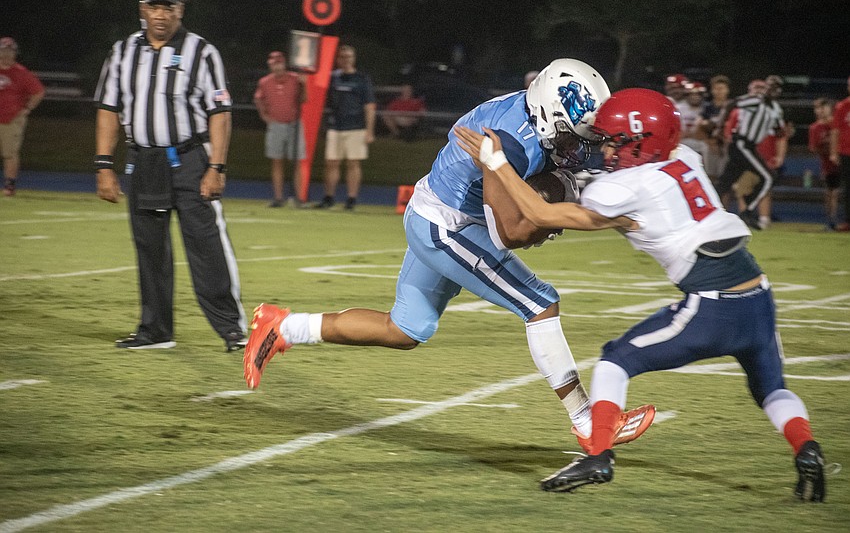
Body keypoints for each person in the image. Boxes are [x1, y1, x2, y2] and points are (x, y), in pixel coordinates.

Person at [244, 59, 654, 452]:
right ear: (549, 116)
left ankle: (283, 326)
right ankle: (588, 422)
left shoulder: (529, 113)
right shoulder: (508, 142)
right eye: (570, 137)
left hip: (435, 211)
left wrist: (557, 197)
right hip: (448, 226)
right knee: (540, 303)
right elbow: (508, 233)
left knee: (405, 329)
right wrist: (553, 213)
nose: (575, 148)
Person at [455, 88, 830, 502]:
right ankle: (807, 449)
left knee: (615, 361)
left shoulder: (626, 188)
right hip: (758, 295)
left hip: (713, 304)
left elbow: (540, 214)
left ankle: (597, 455)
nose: (608, 151)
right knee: (771, 389)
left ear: (639, 141)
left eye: (615, 142)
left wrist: (497, 163)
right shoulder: (685, 158)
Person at [94, 0, 247, 352]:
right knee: (149, 248)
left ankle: (232, 329)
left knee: (207, 247)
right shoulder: (122, 52)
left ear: (180, 11)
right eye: (154, 6)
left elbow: (221, 112)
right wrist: (103, 164)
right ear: (143, 9)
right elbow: (108, 109)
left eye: (169, 7)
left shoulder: (202, 51)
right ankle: (156, 330)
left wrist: (217, 167)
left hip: (191, 160)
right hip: (143, 162)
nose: (161, 15)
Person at [714, 75, 786, 230]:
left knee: (725, 183)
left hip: (749, 146)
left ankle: (704, 210)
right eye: (770, 86)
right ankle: (747, 211)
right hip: (742, 143)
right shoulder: (755, 100)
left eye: (776, 88)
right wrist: (720, 128)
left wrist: (786, 132)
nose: (772, 90)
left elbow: (778, 130)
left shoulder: (775, 108)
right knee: (768, 177)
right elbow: (732, 104)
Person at [315, 45, 376, 211]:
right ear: (338, 59)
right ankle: (329, 197)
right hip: (336, 125)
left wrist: (370, 130)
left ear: (353, 58)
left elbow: (369, 106)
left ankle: (351, 199)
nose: (345, 60)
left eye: (348, 57)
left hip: (356, 126)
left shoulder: (361, 79)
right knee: (331, 162)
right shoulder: (332, 78)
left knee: (353, 163)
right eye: (342, 57)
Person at [254, 50, 308, 208]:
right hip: (276, 124)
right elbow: (258, 99)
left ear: (284, 64)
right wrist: (264, 115)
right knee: (276, 161)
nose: (277, 67)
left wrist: (304, 85)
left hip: (294, 123)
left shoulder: (295, 79)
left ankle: (299, 198)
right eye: (273, 65)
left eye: (279, 64)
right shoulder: (265, 82)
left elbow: (304, 99)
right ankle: (278, 198)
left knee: (297, 161)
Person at [0, 36, 45, 197]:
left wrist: (27, 108)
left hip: (11, 119)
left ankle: (9, 185)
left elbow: (38, 92)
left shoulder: (21, 72)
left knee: (10, 153)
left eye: (10, 51)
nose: (6, 54)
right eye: (4, 50)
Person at [809, 98, 840, 230]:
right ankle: (831, 220)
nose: (821, 111)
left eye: (823, 107)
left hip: (843, 162)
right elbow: (813, 148)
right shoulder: (815, 128)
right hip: (828, 165)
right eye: (818, 108)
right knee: (831, 193)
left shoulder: (836, 123)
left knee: (836, 192)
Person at [701, 74, 732, 181]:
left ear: (727, 90)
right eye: (716, 88)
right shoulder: (707, 107)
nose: (719, 91)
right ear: (712, 90)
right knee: (710, 175)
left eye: (721, 88)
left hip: (727, 144)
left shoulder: (732, 106)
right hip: (710, 144)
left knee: (725, 176)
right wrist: (709, 141)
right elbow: (701, 126)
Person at [829, 76, 850, 232]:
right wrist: (834, 152)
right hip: (846, 151)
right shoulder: (843, 106)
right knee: (847, 188)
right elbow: (835, 130)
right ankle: (848, 221)